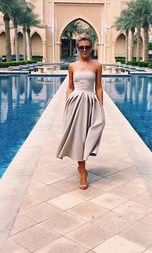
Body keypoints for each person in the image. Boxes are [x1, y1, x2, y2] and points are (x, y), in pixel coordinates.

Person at [56, 34, 105, 189]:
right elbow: (70, 86)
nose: (84, 50)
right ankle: (83, 171)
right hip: (75, 102)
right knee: (78, 137)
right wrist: (67, 104)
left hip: (91, 102)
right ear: (78, 48)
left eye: (87, 47)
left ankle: (82, 162)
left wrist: (100, 106)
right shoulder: (72, 66)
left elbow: (98, 87)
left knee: (91, 132)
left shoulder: (97, 66)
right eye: (81, 47)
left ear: (91, 48)